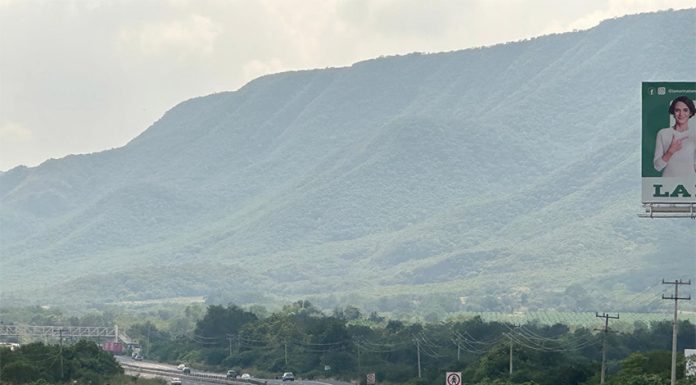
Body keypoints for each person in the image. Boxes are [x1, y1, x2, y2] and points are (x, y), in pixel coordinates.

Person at [653, 95, 696, 177]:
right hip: (667, 184)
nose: (681, 114)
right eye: (677, 110)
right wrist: (670, 151)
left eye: (685, 110)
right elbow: (657, 167)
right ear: (673, 112)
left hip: (690, 184)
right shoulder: (663, 133)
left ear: (690, 113)